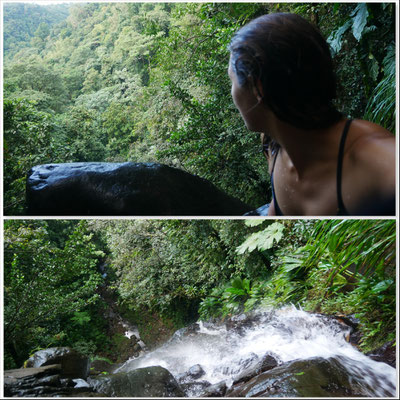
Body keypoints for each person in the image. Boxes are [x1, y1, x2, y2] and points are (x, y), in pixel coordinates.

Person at [228, 12, 395, 216]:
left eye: (232, 81)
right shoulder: (273, 148)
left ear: (258, 89)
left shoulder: (378, 162)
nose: (232, 93)